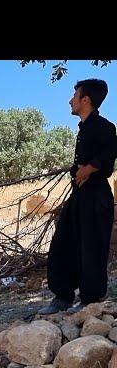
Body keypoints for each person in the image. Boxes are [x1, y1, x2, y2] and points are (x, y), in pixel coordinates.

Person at [39, 79, 117, 315]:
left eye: (75, 96)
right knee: (64, 241)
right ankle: (62, 296)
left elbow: (109, 153)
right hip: (80, 195)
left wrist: (90, 168)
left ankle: (90, 300)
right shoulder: (84, 129)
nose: (70, 101)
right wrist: (80, 171)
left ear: (86, 100)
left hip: (96, 195)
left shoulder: (105, 127)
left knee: (92, 246)